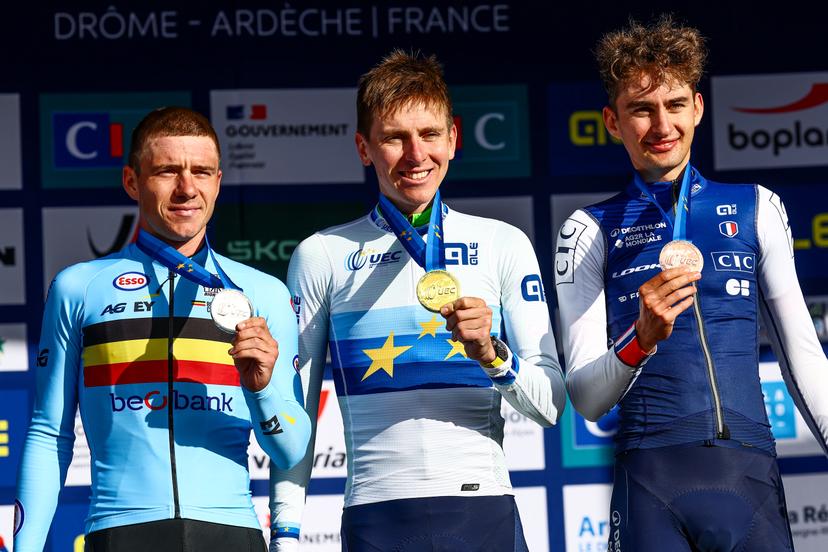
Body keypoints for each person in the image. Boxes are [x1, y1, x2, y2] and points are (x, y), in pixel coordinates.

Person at [269, 50, 565, 551]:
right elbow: (297, 415)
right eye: (394, 138)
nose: (415, 154)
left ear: (453, 138)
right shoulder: (322, 255)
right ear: (364, 148)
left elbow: (550, 407)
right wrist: (285, 533)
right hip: (376, 517)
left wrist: (494, 355)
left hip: (482, 512)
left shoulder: (503, 243)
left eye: (429, 134)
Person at [555, 15, 828, 552]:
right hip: (649, 485)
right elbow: (586, 398)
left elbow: (804, 359)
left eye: (675, 104)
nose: (662, 124)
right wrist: (640, 340)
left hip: (748, 477)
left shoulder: (756, 207)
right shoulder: (587, 230)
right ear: (612, 121)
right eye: (642, 109)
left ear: (698, 108)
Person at [14, 107, 311, 551]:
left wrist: (263, 390)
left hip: (229, 532)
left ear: (218, 182)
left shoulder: (262, 293)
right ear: (132, 181)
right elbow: (48, 434)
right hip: (121, 530)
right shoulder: (79, 288)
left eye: (201, 172)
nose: (187, 188)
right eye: (167, 171)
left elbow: (292, 450)